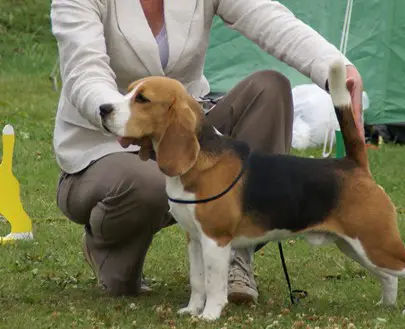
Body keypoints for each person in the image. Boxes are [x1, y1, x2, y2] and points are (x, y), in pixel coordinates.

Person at [50, 0, 364, 301]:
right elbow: (84, 72)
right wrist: (123, 120)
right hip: (100, 147)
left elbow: (268, 17)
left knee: (271, 89)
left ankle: (234, 258)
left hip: (183, 133)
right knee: (147, 185)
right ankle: (107, 246)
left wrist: (337, 67)